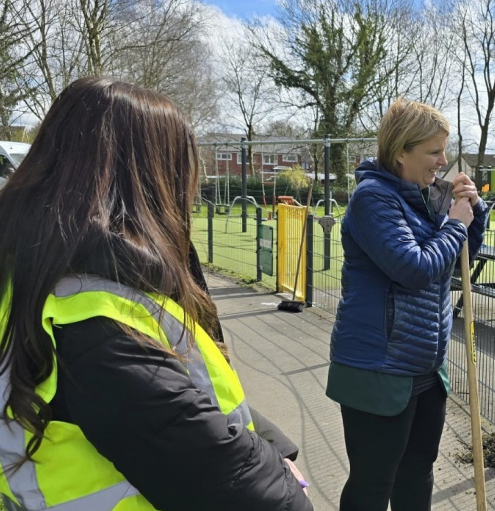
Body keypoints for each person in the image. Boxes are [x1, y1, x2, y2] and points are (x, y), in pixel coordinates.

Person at [0, 77, 313, 511]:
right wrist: (280, 476)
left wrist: (274, 447)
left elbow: (190, 407)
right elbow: (240, 489)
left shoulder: (33, 275)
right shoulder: (100, 322)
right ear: (147, 182)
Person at [326, 98, 487, 511]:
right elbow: (413, 268)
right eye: (433, 151)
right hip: (377, 368)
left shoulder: (427, 197)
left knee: (418, 472)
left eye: (444, 150)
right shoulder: (372, 199)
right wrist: (454, 223)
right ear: (400, 151)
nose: (443, 161)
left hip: (426, 368)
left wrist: (473, 213)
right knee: (373, 484)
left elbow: (452, 266)